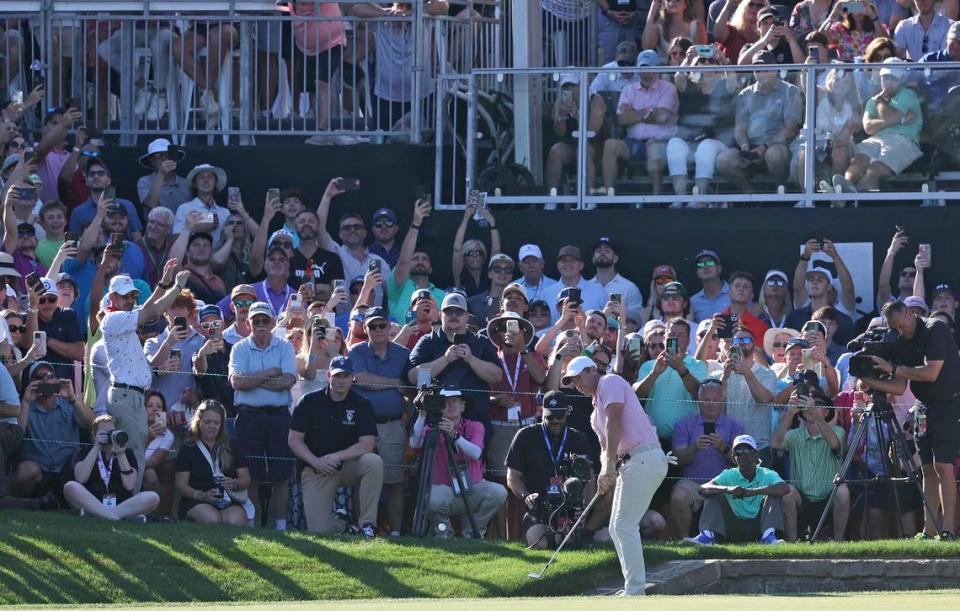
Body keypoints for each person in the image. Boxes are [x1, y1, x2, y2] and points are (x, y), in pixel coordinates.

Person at [562, 355, 667, 596]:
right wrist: (604, 470)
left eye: (580, 376)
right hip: (631, 462)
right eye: (572, 380)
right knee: (615, 528)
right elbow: (604, 446)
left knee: (623, 525)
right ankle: (633, 586)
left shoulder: (609, 381)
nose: (577, 383)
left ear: (592, 370)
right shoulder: (593, 413)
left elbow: (615, 420)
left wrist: (610, 464)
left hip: (644, 457)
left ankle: (636, 590)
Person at [862, 301, 960, 539]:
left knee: (943, 466)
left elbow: (931, 372)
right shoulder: (899, 340)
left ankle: (947, 530)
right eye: (894, 329)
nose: (900, 332)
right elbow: (898, 386)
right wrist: (870, 380)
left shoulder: (935, 328)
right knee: (926, 468)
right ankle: (929, 530)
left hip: (948, 405)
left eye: (901, 326)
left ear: (910, 313)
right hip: (923, 407)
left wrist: (894, 368)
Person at [102, 260, 191, 492]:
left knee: (131, 451)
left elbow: (148, 307)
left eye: (132, 295)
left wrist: (163, 282)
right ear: (112, 298)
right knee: (134, 452)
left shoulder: (123, 318)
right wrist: (176, 287)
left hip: (130, 395)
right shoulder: (113, 318)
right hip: (126, 396)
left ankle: (127, 502)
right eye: (124, 296)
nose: (130, 300)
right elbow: (152, 311)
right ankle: (132, 505)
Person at [288, 356, 384, 536]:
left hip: (348, 465)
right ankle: (344, 525)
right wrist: (316, 461)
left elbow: (367, 444)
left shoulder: (362, 404)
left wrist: (337, 456)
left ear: (352, 378)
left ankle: (367, 525)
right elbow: (294, 439)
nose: (341, 381)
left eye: (346, 376)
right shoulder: (309, 402)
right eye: (337, 376)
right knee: (319, 531)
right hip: (317, 468)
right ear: (328, 376)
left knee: (373, 462)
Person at [228, 301, 297, 530]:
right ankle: (253, 525)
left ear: (272, 322)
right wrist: (269, 373)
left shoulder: (285, 346)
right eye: (255, 321)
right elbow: (237, 382)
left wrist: (253, 382)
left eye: (264, 321)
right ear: (248, 323)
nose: (260, 325)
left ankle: (280, 526)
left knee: (281, 474)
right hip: (249, 417)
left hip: (278, 416)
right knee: (251, 474)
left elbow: (287, 382)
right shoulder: (239, 348)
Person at [409, 387, 507, 537]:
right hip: (445, 490)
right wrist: (422, 414)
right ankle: (444, 532)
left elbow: (476, 453)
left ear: (463, 406)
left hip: (473, 489)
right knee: (433, 500)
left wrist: (454, 436)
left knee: (499, 492)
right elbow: (414, 443)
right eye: (445, 402)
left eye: (454, 401)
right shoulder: (432, 429)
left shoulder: (475, 426)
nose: (450, 405)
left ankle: (471, 533)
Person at [347, 307, 411, 536]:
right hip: (362, 427)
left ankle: (395, 533)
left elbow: (411, 387)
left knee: (394, 482)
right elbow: (363, 380)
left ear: (390, 327)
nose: (377, 330)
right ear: (365, 329)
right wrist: (394, 382)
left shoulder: (403, 353)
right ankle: (362, 528)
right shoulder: (356, 351)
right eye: (372, 326)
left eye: (381, 325)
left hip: (393, 424)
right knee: (362, 479)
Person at [505, 390, 596, 548]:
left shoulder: (579, 439)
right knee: (539, 543)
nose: (554, 420)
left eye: (559, 416)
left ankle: (573, 535)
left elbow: (590, 479)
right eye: (549, 416)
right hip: (539, 507)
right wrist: (526, 496)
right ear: (541, 412)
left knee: (568, 543)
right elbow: (512, 477)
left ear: (568, 412)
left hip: (570, 506)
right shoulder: (525, 436)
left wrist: (584, 511)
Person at [408, 292, 503, 425]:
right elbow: (413, 377)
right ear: (441, 315)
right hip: (435, 422)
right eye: (448, 312)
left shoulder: (482, 342)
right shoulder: (428, 341)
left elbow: (497, 376)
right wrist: (445, 360)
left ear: (467, 317)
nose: (453, 316)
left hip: (475, 423)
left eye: (458, 312)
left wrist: (471, 359)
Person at [715, 51, 803, 192]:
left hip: (779, 146)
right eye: (757, 68)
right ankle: (749, 194)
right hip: (751, 148)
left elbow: (790, 129)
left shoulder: (790, 91)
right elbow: (740, 129)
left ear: (775, 69)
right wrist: (745, 147)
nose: (760, 72)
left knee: (775, 155)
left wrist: (764, 147)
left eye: (765, 68)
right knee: (723, 161)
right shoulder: (745, 94)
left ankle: (781, 193)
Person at [832, 58, 923, 194]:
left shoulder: (908, 95)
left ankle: (849, 197)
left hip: (904, 141)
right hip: (877, 139)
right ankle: (847, 185)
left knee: (874, 169)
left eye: (893, 78)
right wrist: (898, 120)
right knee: (859, 160)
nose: (888, 82)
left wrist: (882, 102)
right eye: (885, 77)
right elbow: (868, 127)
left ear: (902, 79)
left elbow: (888, 117)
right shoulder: (872, 100)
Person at [669, 380, 743, 537]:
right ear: (698, 400)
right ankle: (685, 541)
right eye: (706, 400)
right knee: (678, 497)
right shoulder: (684, 425)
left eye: (715, 400)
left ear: (722, 401)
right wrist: (694, 448)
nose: (710, 404)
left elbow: (743, 462)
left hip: (724, 483)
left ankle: (729, 541)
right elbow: (678, 459)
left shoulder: (734, 426)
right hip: (693, 483)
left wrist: (723, 448)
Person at [12, 361, 94, 502]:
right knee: (27, 470)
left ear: (56, 380)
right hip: (38, 470)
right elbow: (17, 435)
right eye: (39, 376)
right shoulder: (25, 406)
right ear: (31, 382)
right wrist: (25, 402)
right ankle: (13, 503)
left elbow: (93, 424)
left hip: (66, 469)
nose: (45, 380)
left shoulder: (69, 403)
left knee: (82, 465)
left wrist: (74, 399)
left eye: (50, 375)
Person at [772, 392, 848, 541]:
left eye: (816, 404)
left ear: (826, 412)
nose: (810, 405)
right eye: (808, 403)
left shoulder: (838, 431)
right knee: (788, 492)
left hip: (828, 498)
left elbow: (835, 444)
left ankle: (839, 543)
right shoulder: (793, 435)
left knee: (843, 491)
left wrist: (815, 414)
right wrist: (790, 413)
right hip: (802, 500)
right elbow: (776, 444)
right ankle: (792, 544)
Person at [686, 434, 789, 544]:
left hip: (759, 527)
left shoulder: (767, 473)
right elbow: (703, 488)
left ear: (755, 455)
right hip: (732, 527)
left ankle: (768, 537)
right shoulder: (729, 475)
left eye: (747, 451)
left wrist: (754, 492)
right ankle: (707, 537)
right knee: (713, 492)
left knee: (774, 493)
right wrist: (728, 489)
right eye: (738, 453)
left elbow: (784, 488)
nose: (742, 456)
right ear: (734, 458)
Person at [601, 50, 679, 196]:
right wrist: (649, 112)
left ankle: (657, 197)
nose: (644, 72)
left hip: (662, 142)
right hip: (633, 142)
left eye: (649, 68)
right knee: (610, 145)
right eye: (642, 68)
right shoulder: (628, 89)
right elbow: (622, 119)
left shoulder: (669, 88)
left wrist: (634, 112)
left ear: (657, 69)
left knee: (652, 145)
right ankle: (609, 196)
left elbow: (662, 117)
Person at [62, 414, 160, 521]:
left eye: (111, 432)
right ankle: (119, 518)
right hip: (92, 501)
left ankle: (97, 515)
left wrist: (121, 454)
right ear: (94, 435)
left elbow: (129, 485)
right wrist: (96, 448)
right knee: (70, 486)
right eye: (104, 433)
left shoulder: (127, 453)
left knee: (153, 497)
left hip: (121, 502)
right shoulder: (85, 451)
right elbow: (80, 478)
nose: (108, 436)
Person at [175, 400, 251, 526]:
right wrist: (201, 495)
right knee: (212, 520)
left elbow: (246, 478)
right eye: (207, 422)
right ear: (199, 422)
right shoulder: (188, 448)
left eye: (216, 423)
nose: (212, 426)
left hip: (227, 498)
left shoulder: (233, 445)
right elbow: (180, 485)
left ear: (222, 424)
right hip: (196, 499)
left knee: (234, 521)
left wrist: (234, 483)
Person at [451, 203, 501, 297]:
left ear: (484, 257)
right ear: (464, 258)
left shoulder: (489, 273)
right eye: (470, 253)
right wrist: (466, 218)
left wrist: (492, 223)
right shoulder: (459, 273)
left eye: (478, 253)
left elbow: (496, 251)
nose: (475, 256)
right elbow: (457, 249)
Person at [590, 237, 643, 323]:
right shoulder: (584, 287)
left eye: (607, 251)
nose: (602, 253)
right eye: (598, 251)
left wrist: (620, 312)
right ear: (593, 258)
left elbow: (637, 320)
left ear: (615, 259)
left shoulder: (629, 288)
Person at [172, 164, 230, 242]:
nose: (206, 180)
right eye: (201, 177)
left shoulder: (225, 213)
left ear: (216, 183)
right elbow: (174, 240)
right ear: (195, 183)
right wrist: (199, 228)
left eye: (209, 177)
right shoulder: (184, 208)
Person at [136, 138, 190, 213]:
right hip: (157, 224)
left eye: (168, 155)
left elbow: (198, 209)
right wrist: (161, 174)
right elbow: (151, 204)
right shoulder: (145, 181)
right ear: (152, 161)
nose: (165, 158)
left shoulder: (186, 183)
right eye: (160, 155)